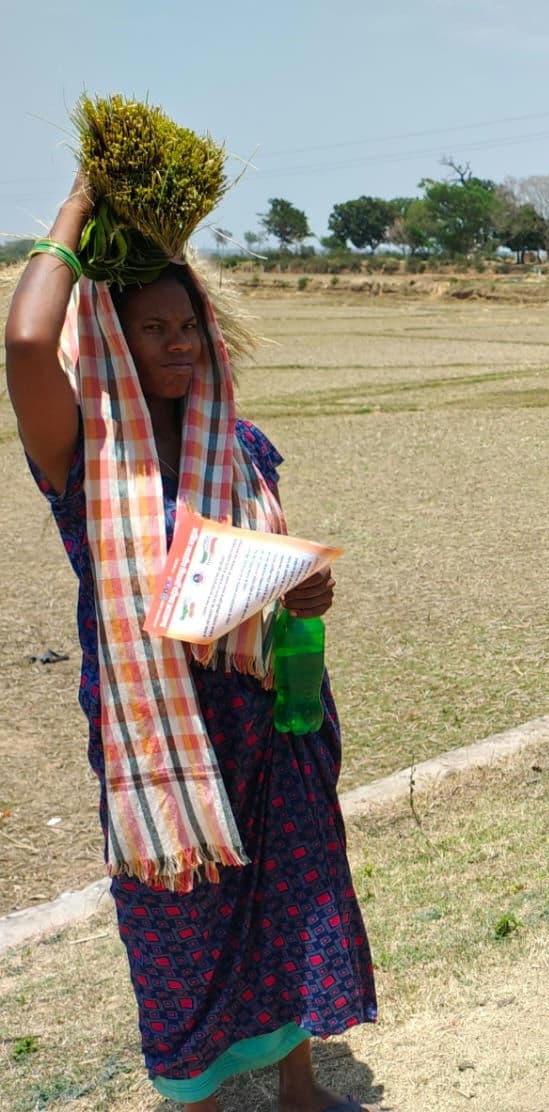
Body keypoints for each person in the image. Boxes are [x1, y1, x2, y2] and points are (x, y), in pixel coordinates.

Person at [4, 176, 376, 1111]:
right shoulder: (87, 457)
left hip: (266, 721)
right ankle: (199, 1098)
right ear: (112, 341)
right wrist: (82, 208)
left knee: (289, 900)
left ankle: (297, 1081)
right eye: (153, 327)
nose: (178, 343)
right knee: (176, 923)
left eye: (189, 325)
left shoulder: (238, 443)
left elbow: (268, 575)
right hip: (161, 738)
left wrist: (307, 596)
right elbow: (22, 342)